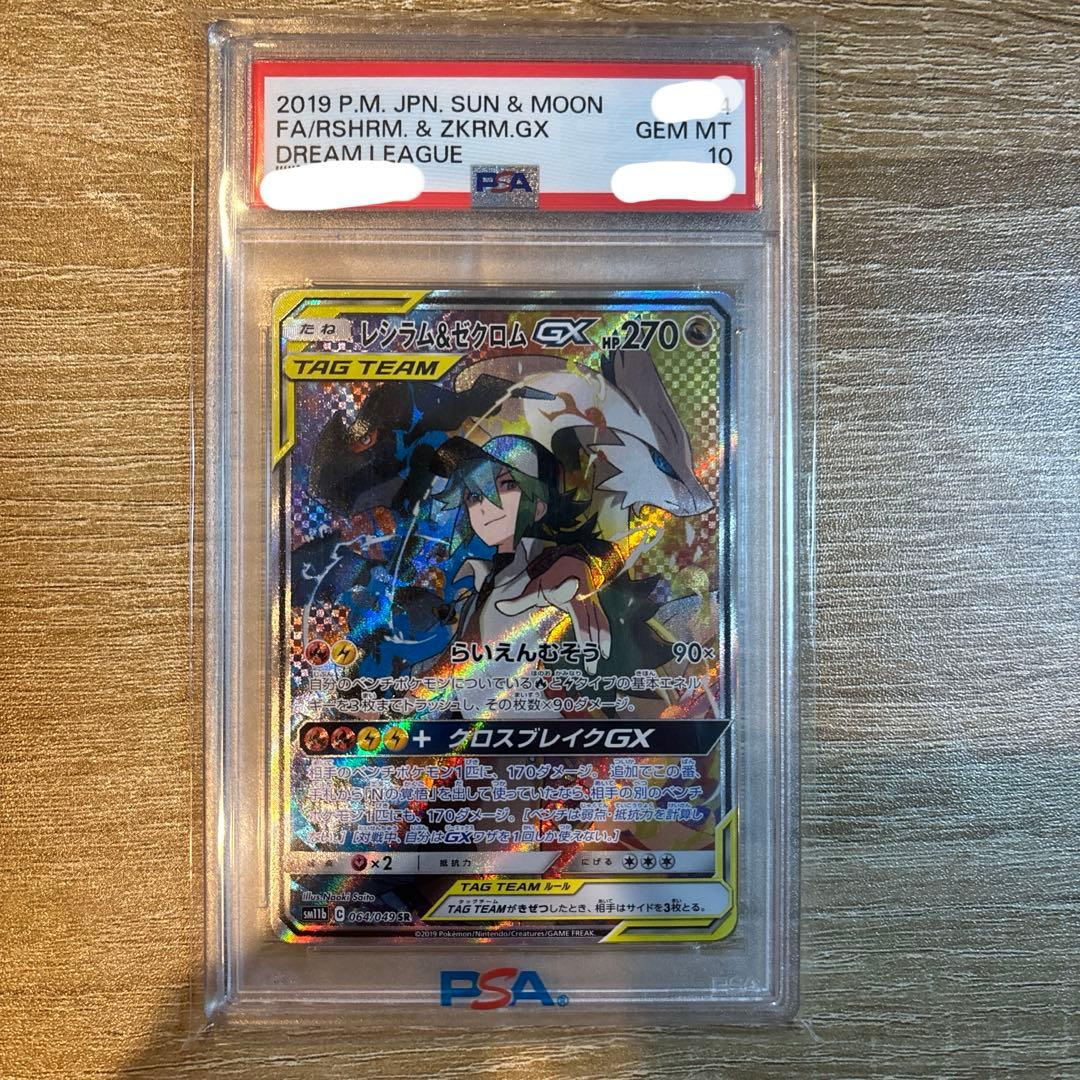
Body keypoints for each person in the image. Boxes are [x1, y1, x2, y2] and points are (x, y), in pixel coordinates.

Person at [428, 434, 611, 718]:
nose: (485, 504)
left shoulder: (548, 570)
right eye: (474, 495)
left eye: (507, 485)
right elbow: (453, 665)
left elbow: (561, 575)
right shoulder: (483, 585)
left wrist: (575, 566)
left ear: (539, 505)